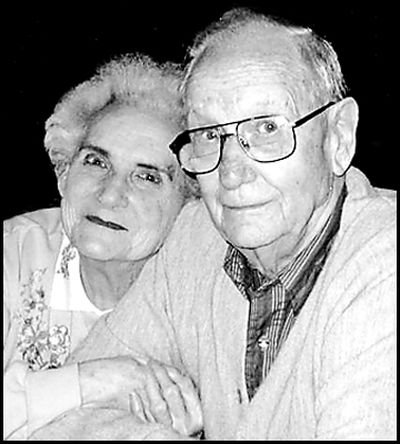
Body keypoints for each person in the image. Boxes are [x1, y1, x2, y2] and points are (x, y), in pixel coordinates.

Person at [29, 7, 396, 440]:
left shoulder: (383, 266)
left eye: (266, 128)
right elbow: (67, 409)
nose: (231, 172)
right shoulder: (196, 239)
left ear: (339, 137)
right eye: (208, 135)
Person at [3, 53, 200, 440]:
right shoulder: (13, 255)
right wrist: (97, 380)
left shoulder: (204, 297)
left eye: (147, 177)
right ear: (64, 174)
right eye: (96, 161)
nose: (110, 195)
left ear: (189, 206)